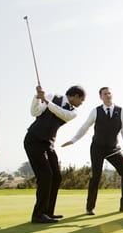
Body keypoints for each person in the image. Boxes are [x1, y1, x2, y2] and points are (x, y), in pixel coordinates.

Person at [62, 87, 123, 215]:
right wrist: (73, 140)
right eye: (104, 94)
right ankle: (89, 208)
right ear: (101, 97)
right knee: (96, 176)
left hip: (113, 148)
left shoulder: (121, 111)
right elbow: (85, 127)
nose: (107, 95)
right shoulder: (96, 111)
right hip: (97, 148)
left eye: (109, 93)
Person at [24, 85, 85, 224]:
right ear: (74, 96)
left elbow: (61, 113)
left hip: (48, 143)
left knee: (56, 177)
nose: (81, 103)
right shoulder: (52, 96)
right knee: (45, 176)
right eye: (81, 100)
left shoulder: (73, 111)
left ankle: (48, 212)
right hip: (34, 140)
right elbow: (34, 112)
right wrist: (37, 97)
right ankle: (38, 214)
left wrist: (45, 100)